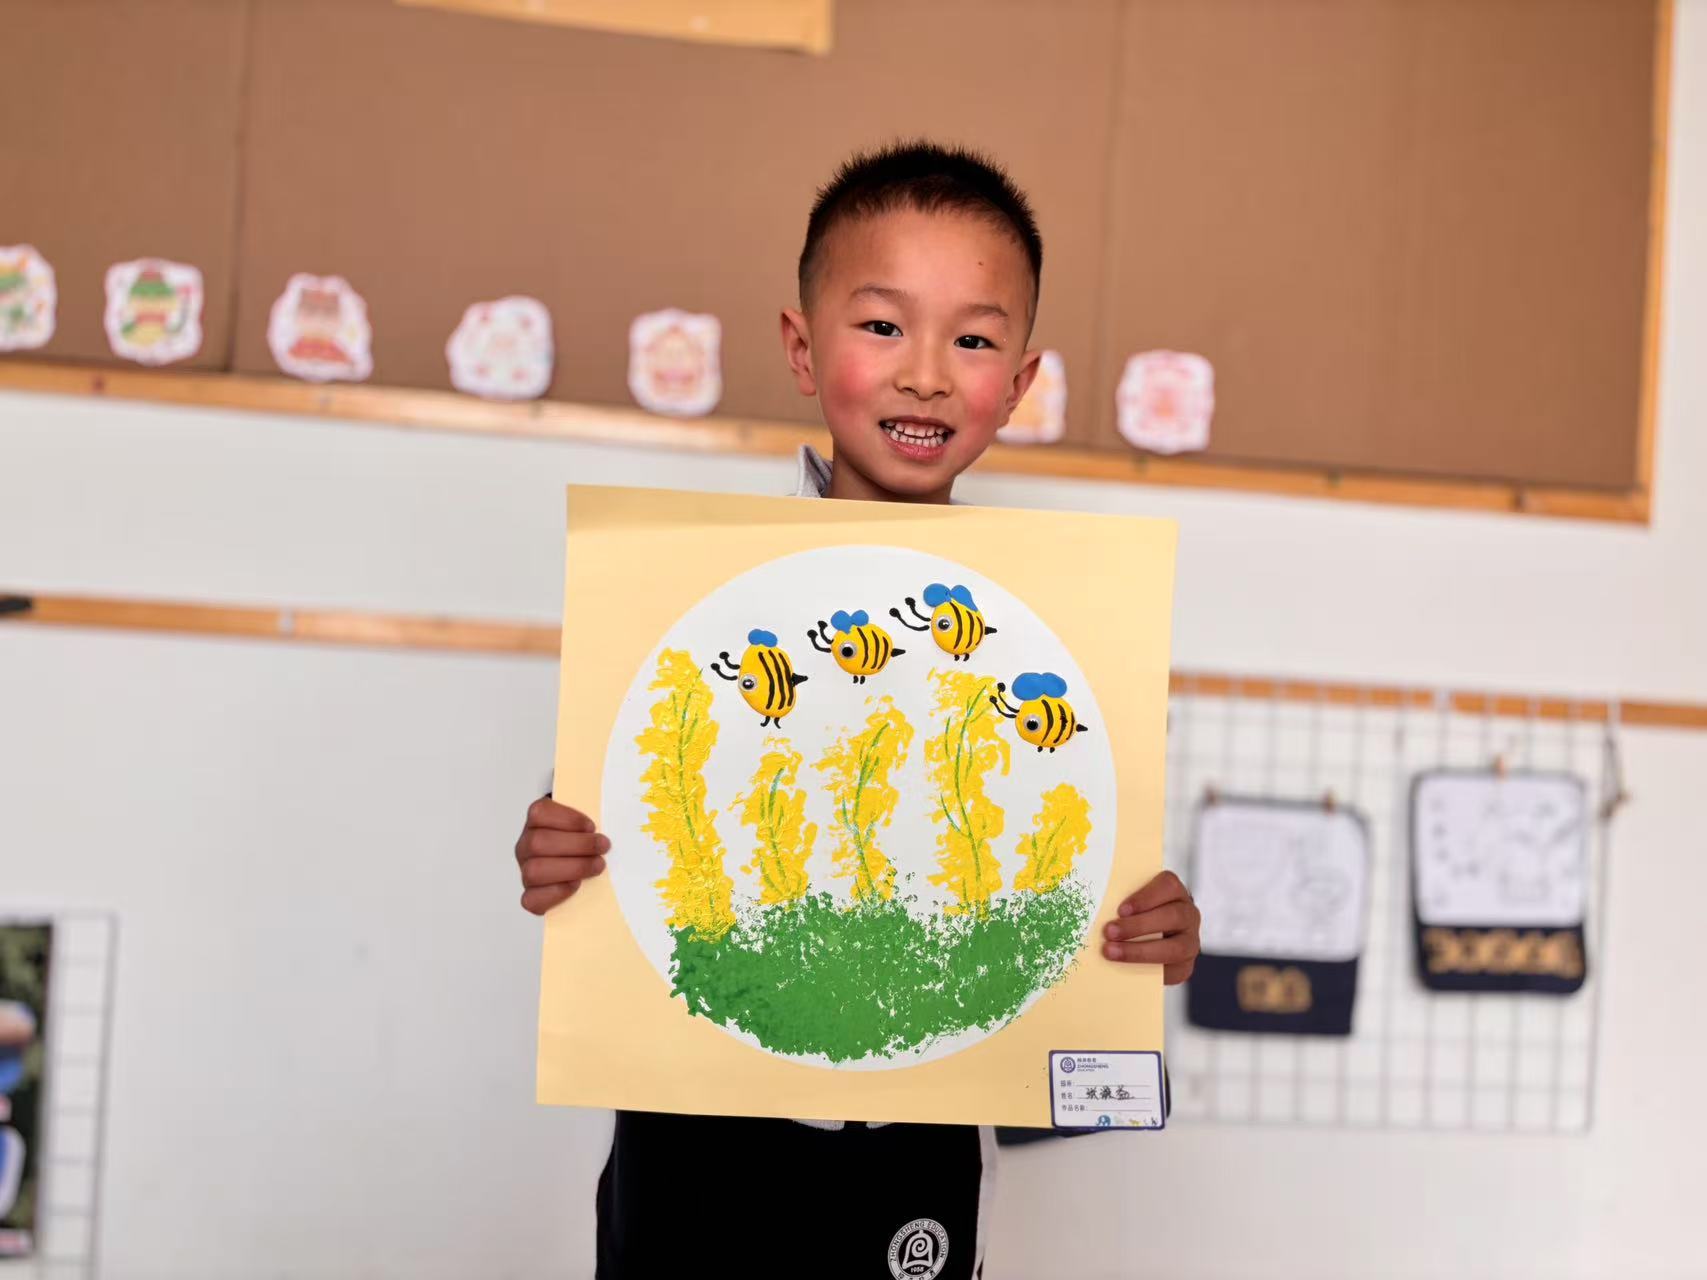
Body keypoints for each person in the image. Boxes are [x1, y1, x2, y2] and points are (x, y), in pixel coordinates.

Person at [513, 141, 1202, 1280]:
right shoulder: (691, 600)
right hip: (695, 1134)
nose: (925, 375)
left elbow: (1067, 876)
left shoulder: (1053, 645)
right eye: (882, 325)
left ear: (1019, 383)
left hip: (915, 1146)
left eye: (972, 341)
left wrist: (1145, 937)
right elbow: (615, 819)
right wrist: (557, 847)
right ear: (801, 346)